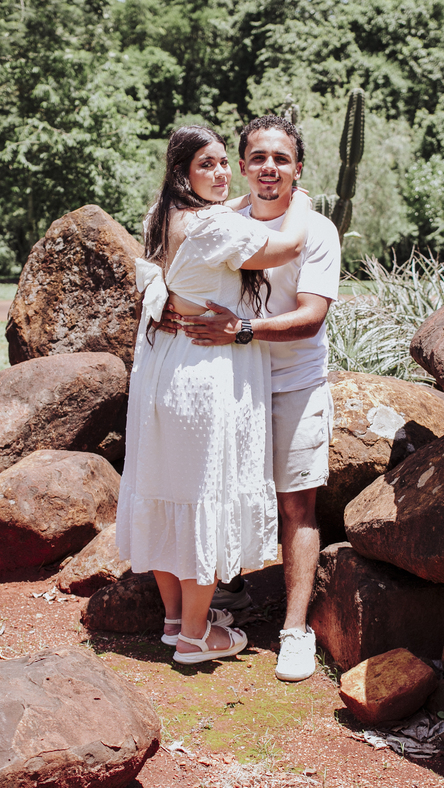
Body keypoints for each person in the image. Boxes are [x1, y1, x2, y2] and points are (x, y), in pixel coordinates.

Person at [115, 124, 311, 665]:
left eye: (225, 162)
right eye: (208, 164)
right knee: (204, 493)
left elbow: (156, 280)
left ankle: (174, 620)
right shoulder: (215, 225)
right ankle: (196, 637)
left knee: (166, 488)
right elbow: (289, 245)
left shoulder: (162, 216)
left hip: (162, 367)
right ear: (183, 172)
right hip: (202, 372)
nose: (222, 173)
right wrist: (300, 200)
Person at [165, 116, 341, 682]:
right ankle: (226, 595)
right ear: (243, 166)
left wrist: (240, 329)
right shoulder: (223, 220)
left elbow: (311, 318)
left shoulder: (317, 231)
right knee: (217, 492)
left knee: (296, 506)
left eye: (281, 158)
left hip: (292, 382)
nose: (269, 167)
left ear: (297, 168)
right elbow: (172, 269)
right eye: (258, 157)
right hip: (231, 384)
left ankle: (294, 631)